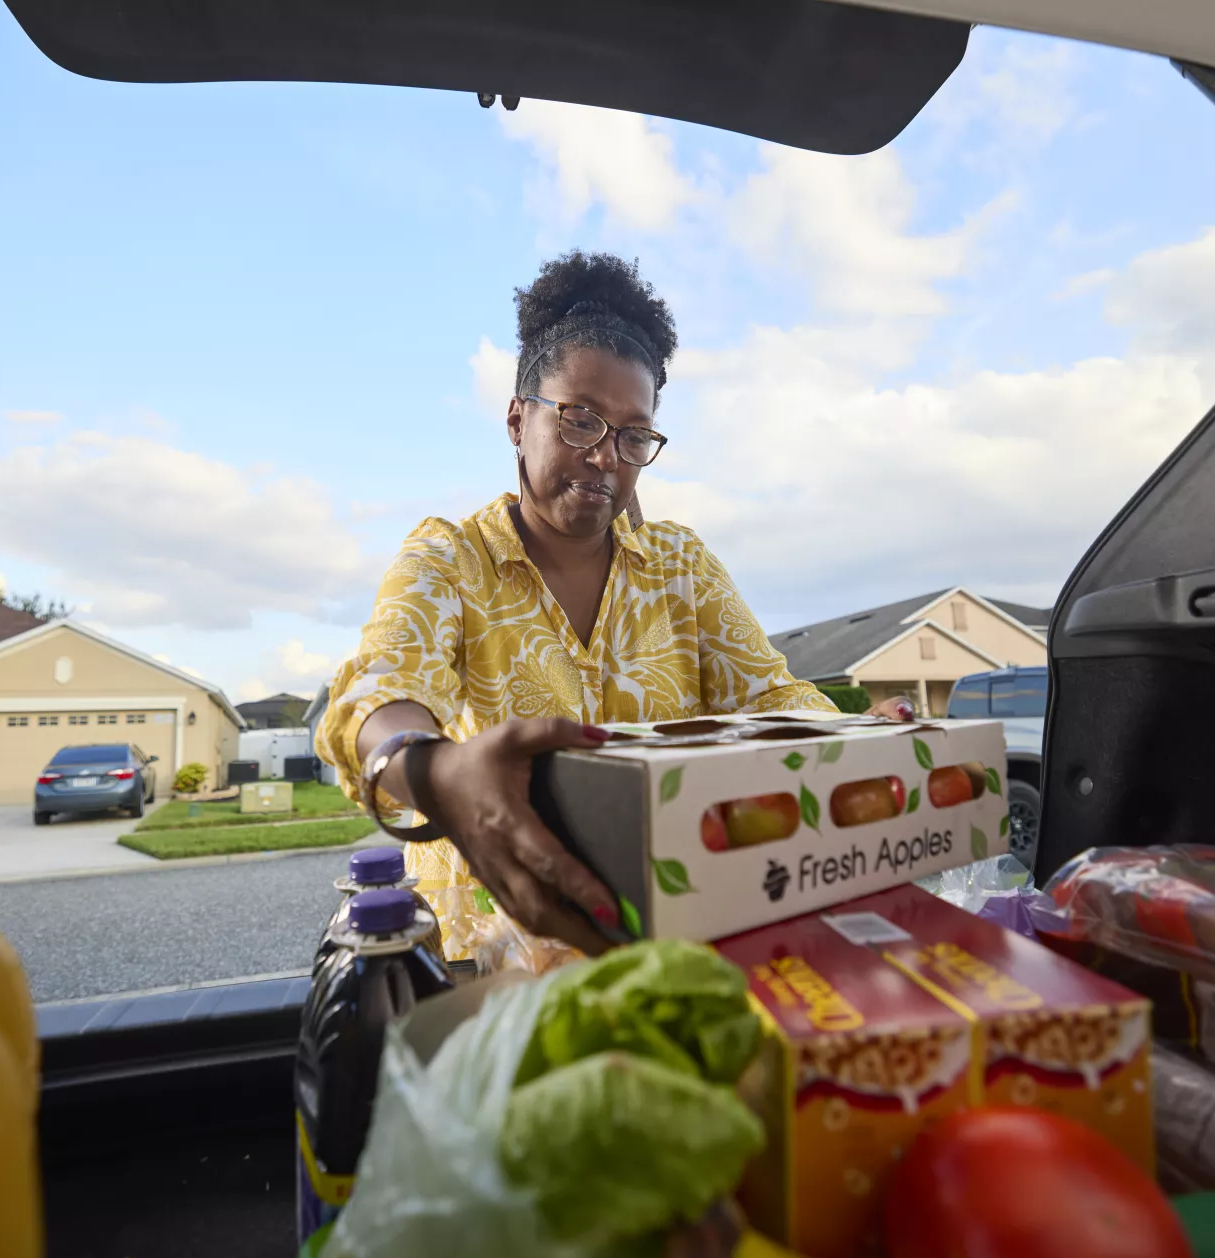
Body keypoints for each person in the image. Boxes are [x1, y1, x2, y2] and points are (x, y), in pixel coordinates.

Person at [316, 252, 916, 970]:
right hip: (497, 971)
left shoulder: (680, 569)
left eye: (634, 435)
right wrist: (436, 773)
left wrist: (858, 737)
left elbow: (769, 696)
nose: (606, 457)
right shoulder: (452, 559)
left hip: (675, 952)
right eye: (580, 421)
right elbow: (381, 690)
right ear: (516, 417)